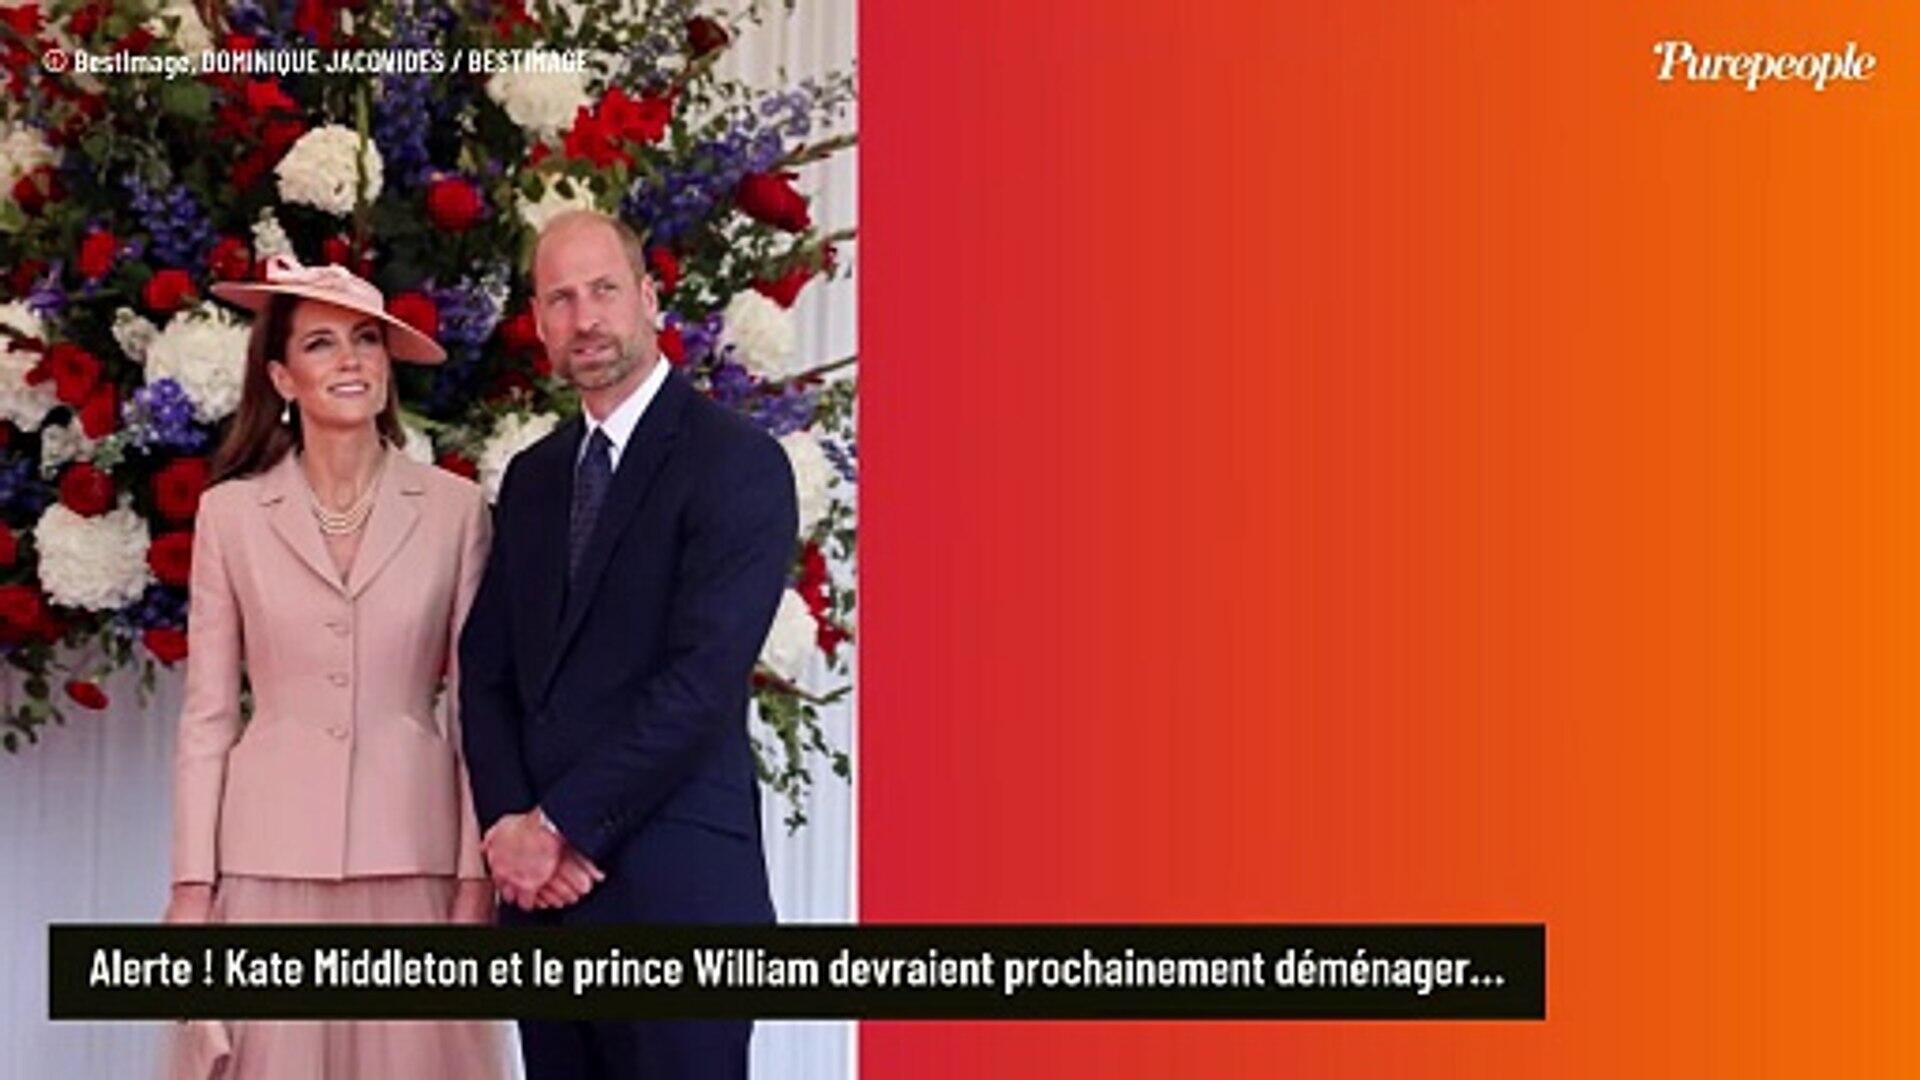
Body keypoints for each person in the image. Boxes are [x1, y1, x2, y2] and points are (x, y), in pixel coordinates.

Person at [460, 209, 797, 1079]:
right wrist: (508, 827)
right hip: (547, 910)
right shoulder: (534, 480)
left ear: (649, 298)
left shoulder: (736, 462)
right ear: (539, 324)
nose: (586, 318)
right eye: (561, 299)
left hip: (678, 897)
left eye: (604, 290)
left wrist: (560, 827)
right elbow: (487, 672)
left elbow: (701, 682)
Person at [163, 254, 508, 1079]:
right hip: (265, 865)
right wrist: (191, 889)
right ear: (282, 377)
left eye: (366, 339)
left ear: (388, 366)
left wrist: (474, 879)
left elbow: (477, 711)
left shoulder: (456, 510)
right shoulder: (230, 515)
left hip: (416, 861)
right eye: (321, 343)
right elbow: (208, 716)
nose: (350, 360)